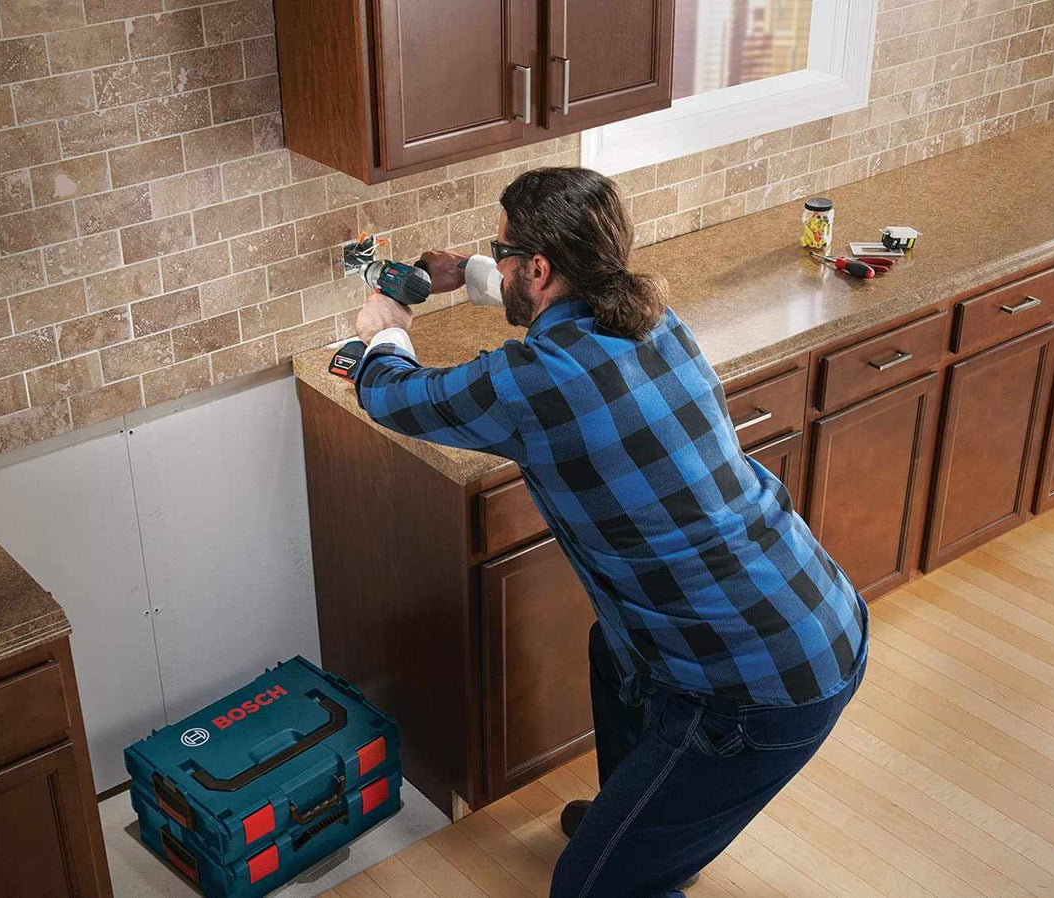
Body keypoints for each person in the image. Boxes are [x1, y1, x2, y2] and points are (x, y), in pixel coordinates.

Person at [351, 167, 868, 898]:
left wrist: (385, 328)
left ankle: (632, 859)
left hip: (757, 693)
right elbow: (549, 297)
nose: (495, 261)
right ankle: (637, 819)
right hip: (817, 616)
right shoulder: (653, 319)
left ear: (538, 268)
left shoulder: (538, 381)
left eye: (501, 252)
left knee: (586, 892)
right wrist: (465, 274)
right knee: (613, 650)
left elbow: (395, 395)